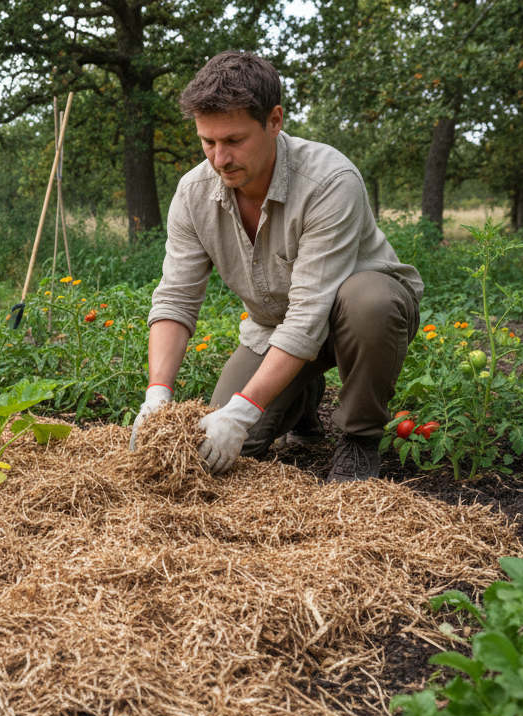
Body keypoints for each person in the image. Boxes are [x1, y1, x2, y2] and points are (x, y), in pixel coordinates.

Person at [131, 51, 424, 482]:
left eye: (233, 140)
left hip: (355, 316)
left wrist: (245, 409)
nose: (219, 159)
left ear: (274, 120)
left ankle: (359, 439)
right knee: (219, 451)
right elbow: (176, 298)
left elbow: (311, 312)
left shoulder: (328, 181)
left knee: (369, 302)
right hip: (275, 328)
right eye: (207, 142)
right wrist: (157, 396)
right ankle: (304, 398)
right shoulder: (193, 194)